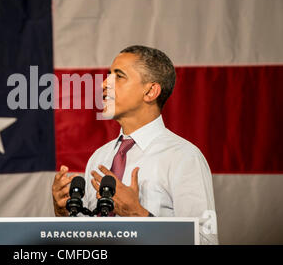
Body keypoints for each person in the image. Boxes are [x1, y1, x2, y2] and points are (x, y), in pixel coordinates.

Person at [52, 45, 218, 245]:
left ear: (150, 91)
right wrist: (63, 213)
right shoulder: (99, 157)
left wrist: (138, 214)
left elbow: (205, 241)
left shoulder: (184, 157)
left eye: (119, 76)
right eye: (108, 75)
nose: (105, 83)